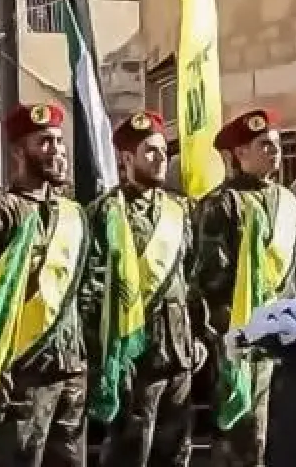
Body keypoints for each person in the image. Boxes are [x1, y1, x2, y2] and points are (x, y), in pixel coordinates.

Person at [0, 102, 92, 467]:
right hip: (21, 373)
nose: (56, 150)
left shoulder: (73, 213)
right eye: (44, 142)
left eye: (58, 141)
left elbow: (86, 288)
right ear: (18, 151)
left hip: (71, 368)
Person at [85, 110, 202, 467]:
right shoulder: (106, 211)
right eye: (149, 151)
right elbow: (92, 289)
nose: (160, 157)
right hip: (133, 353)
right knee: (131, 449)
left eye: (163, 150)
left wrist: (198, 336)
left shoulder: (181, 209)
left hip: (178, 351)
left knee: (176, 451)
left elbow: (190, 278)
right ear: (125, 159)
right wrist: (105, 357)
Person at [195, 108, 296, 467]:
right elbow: (211, 276)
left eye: (276, 144)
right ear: (240, 153)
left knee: (269, 429)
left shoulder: (289, 202)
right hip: (237, 332)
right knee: (239, 429)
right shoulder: (222, 203)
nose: (274, 151)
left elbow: (292, 269)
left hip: (279, 330)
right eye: (264, 145)